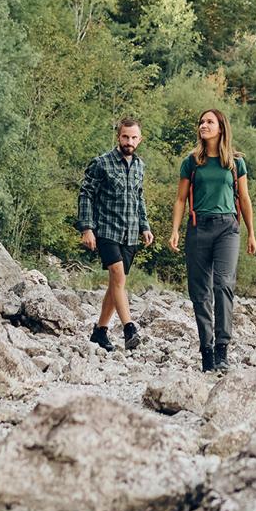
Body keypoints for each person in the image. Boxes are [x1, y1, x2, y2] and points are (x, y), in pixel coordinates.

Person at [168, 108, 256, 373]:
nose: (203, 125)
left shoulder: (235, 162)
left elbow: (244, 198)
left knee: (223, 285)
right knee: (200, 293)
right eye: (201, 122)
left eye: (209, 121)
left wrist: (251, 232)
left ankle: (222, 350)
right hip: (198, 228)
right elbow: (180, 199)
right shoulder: (192, 161)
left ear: (221, 127)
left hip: (227, 228)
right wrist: (175, 230)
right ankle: (206, 352)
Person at [77, 117, 152, 350]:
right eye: (125, 136)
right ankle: (129, 328)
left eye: (133, 137)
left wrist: (145, 226)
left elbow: (139, 198)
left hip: (130, 233)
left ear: (139, 139)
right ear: (118, 137)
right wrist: (87, 228)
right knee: (118, 278)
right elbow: (86, 194)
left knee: (115, 284)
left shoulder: (140, 166)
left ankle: (100, 331)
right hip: (107, 230)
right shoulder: (101, 163)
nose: (129, 141)